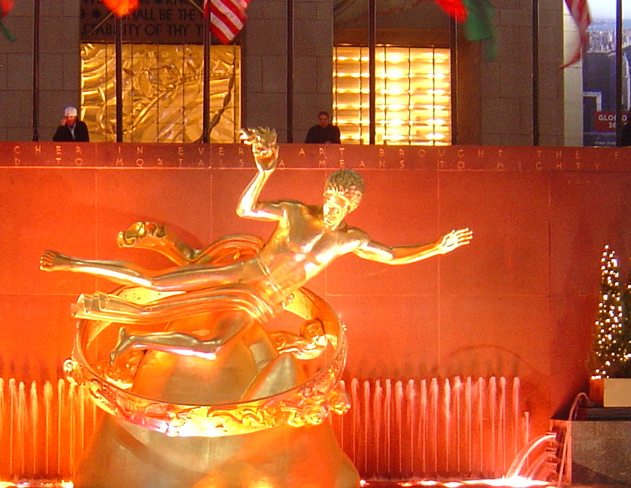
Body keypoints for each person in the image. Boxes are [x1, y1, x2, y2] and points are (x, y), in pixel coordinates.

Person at [43, 127, 471, 373]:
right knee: (155, 282)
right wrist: (263, 170)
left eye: (347, 205)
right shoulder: (296, 213)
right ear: (326, 194)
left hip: (264, 303)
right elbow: (245, 207)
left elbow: (392, 254)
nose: (339, 210)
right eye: (335, 201)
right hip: (245, 273)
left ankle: (134, 335)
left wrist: (436, 247)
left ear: (355, 207)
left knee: (211, 349)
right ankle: (70, 263)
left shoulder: (349, 240)